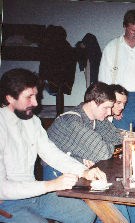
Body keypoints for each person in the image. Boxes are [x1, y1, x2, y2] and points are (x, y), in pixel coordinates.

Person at [0, 68, 106, 223]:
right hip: (8, 202)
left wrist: (84, 171)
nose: (36, 103)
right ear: (9, 98)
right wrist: (51, 185)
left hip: (35, 194)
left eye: (36, 96)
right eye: (29, 97)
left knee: (85, 213)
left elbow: (51, 153)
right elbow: (2, 189)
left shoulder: (32, 121)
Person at [44, 82, 135, 223]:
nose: (109, 112)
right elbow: (104, 152)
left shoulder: (96, 119)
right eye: (106, 108)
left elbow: (118, 136)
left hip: (80, 172)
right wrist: (87, 154)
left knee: (131, 196)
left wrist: (89, 151)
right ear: (93, 102)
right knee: (115, 204)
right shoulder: (72, 121)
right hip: (59, 179)